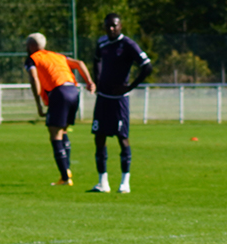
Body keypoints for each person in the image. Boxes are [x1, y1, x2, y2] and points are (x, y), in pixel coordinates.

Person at [88, 13, 152, 194]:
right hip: (103, 98)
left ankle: (125, 182)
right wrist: (97, 80)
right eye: (108, 25)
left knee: (122, 138)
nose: (111, 29)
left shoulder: (128, 45)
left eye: (114, 25)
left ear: (120, 26)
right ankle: (103, 182)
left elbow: (147, 67)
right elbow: (96, 59)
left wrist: (129, 87)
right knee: (99, 137)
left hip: (119, 101)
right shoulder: (102, 42)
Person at [24, 32, 95, 186]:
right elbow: (80, 63)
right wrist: (89, 82)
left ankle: (65, 177)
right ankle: (66, 171)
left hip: (59, 92)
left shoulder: (32, 59)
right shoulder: (56, 55)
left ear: (31, 46)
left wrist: (38, 104)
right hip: (73, 91)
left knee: (54, 135)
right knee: (62, 131)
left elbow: (34, 79)